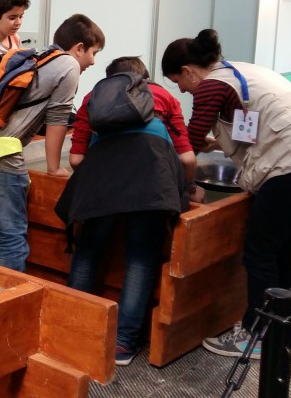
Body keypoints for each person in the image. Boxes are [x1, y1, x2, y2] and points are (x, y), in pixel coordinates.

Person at [161, 29, 291, 359]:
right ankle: (287, 327)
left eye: (178, 82)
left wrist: (171, 160)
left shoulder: (211, 86)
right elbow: (253, 123)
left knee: (259, 251)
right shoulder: (239, 71)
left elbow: (188, 140)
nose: (183, 90)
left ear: (188, 70)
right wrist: (217, 142)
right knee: (283, 247)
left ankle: (257, 334)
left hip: (290, 166)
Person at [57, 56, 195, 366]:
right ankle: (122, 344)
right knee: (141, 258)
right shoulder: (165, 97)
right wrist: (187, 187)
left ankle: (72, 326)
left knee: (88, 251)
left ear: (110, 80)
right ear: (144, 79)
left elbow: (77, 160)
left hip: (102, 182)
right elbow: (186, 159)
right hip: (151, 184)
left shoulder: (94, 98)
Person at [0, 14, 104, 271]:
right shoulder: (69, 66)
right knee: (11, 239)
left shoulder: (40, 57)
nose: (93, 61)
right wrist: (54, 168)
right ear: (79, 48)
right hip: (5, 158)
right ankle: (10, 305)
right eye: (94, 52)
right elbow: (58, 118)